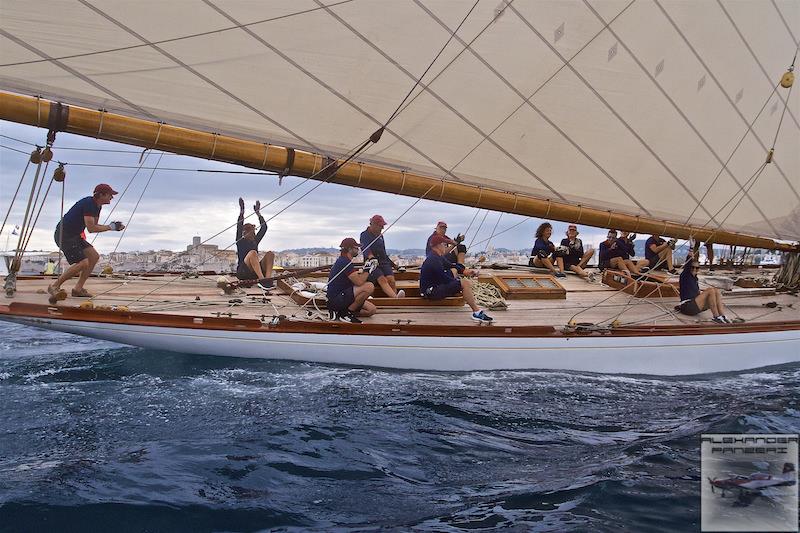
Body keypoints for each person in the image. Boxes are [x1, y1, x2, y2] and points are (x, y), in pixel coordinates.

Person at [47, 183, 124, 304]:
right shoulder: (89, 204)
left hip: (74, 235)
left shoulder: (97, 206)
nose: (112, 198)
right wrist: (111, 227)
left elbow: (95, 226)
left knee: (94, 257)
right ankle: (54, 286)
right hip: (64, 235)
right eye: (110, 195)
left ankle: (78, 289)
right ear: (101, 195)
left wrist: (112, 227)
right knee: (83, 263)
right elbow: (91, 228)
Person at [421, 234, 493, 323]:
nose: (446, 246)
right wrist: (459, 284)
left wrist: (465, 271)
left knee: (455, 271)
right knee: (464, 283)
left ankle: (465, 295)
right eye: (444, 244)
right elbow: (444, 279)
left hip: (434, 286)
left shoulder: (437, 256)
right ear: (438, 246)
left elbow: (452, 265)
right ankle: (477, 312)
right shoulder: (433, 260)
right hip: (430, 292)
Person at [326, 237, 377, 323]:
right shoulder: (344, 262)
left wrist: (365, 270)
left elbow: (355, 277)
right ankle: (346, 313)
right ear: (350, 249)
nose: (358, 250)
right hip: (337, 298)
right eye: (356, 248)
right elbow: (359, 282)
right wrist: (368, 269)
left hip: (343, 295)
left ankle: (342, 312)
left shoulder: (345, 261)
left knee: (371, 310)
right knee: (369, 286)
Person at [360, 214, 405, 298]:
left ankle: (395, 299)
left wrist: (395, 266)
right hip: (372, 264)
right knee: (382, 280)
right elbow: (365, 249)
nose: (382, 228)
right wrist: (371, 258)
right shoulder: (364, 235)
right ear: (373, 224)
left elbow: (383, 254)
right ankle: (396, 300)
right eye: (381, 226)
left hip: (383, 263)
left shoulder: (380, 236)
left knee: (391, 280)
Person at [677, 253, 730, 323]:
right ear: (689, 267)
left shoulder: (695, 278)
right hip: (687, 306)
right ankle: (716, 316)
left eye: (697, 268)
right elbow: (687, 264)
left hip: (694, 305)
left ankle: (722, 316)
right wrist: (690, 253)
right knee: (710, 290)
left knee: (716, 291)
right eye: (692, 267)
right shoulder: (685, 275)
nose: (694, 269)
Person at [235, 198, 275, 287]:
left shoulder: (255, 240)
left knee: (270, 254)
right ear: (244, 233)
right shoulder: (240, 241)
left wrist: (258, 213)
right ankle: (262, 280)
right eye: (251, 232)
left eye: (253, 232)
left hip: (254, 272)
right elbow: (239, 226)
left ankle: (268, 279)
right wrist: (242, 211)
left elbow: (264, 228)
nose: (253, 234)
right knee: (253, 253)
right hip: (243, 272)